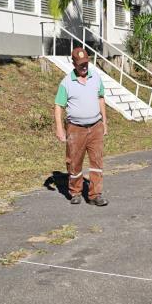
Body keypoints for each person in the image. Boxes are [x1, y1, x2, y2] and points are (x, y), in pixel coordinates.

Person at [53, 47, 109, 206]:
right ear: (73, 64)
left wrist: (104, 122)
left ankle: (95, 194)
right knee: (74, 161)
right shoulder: (66, 82)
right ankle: (75, 192)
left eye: (86, 63)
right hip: (75, 128)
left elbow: (101, 99)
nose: (84, 67)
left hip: (95, 126)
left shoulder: (96, 77)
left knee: (97, 161)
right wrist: (59, 128)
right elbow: (58, 106)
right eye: (80, 64)